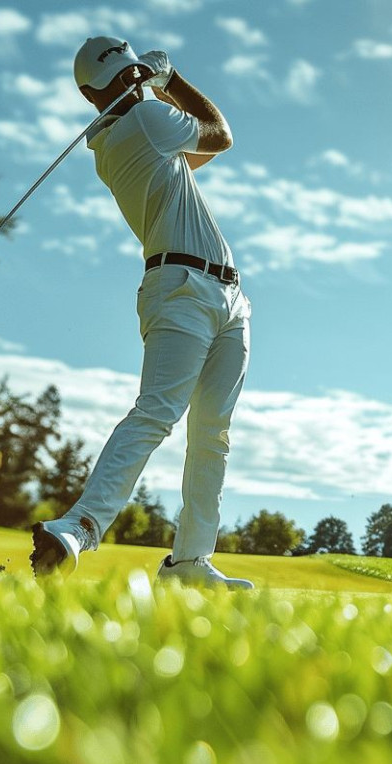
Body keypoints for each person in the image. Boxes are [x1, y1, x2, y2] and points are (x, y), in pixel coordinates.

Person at [30, 36, 253, 590]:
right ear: (92, 94)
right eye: (120, 80)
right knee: (156, 413)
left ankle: (189, 562)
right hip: (183, 288)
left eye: (132, 75)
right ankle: (78, 527)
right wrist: (170, 79)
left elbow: (198, 155)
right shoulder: (148, 119)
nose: (130, 85)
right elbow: (220, 135)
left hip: (224, 295)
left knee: (212, 434)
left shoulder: (126, 137)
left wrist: (151, 86)